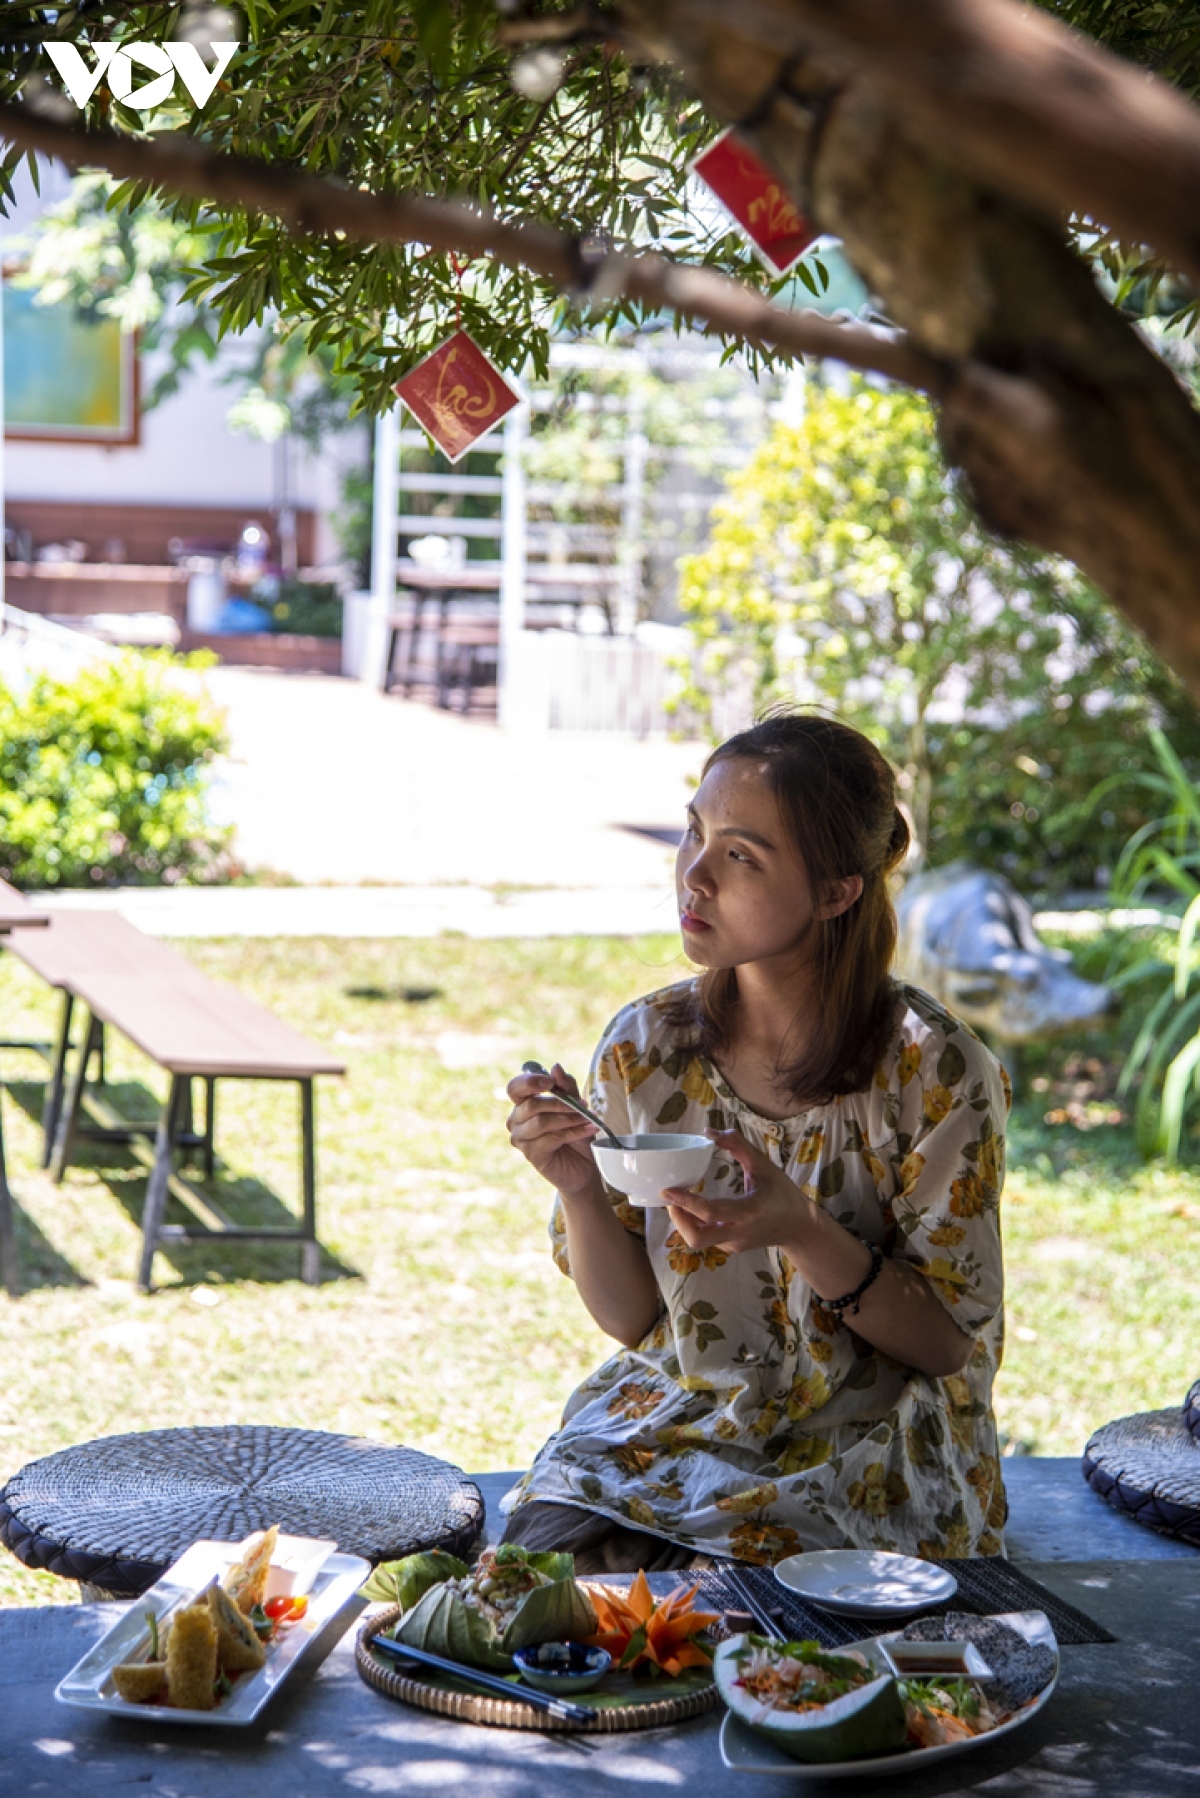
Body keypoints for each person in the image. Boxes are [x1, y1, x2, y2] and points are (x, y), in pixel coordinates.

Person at [502, 711, 1009, 1573]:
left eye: (742, 855)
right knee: (539, 1576)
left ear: (837, 891)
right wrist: (579, 1187)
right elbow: (630, 1320)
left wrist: (803, 1229)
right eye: (694, 833)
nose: (694, 875)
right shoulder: (645, 1047)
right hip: (679, 1417)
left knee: (740, 1605)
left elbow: (945, 1343)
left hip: (867, 1444)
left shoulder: (933, 1070)